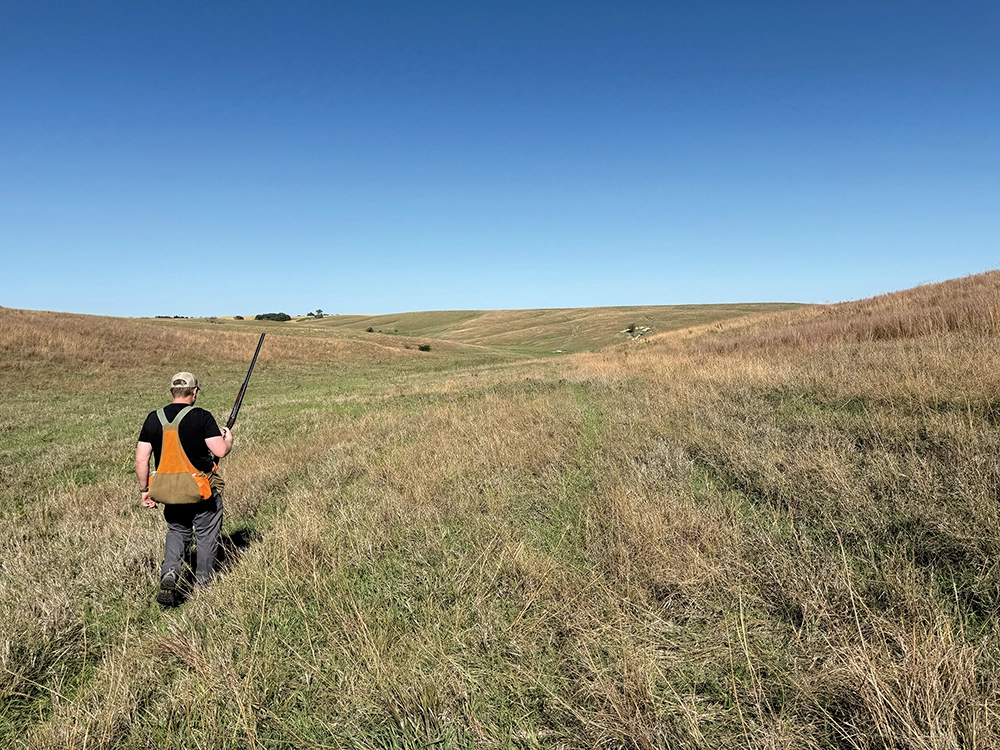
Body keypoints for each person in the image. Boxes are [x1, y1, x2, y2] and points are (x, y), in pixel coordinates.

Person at [135, 372, 233, 606]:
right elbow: (219, 451)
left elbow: (141, 460)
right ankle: (203, 586)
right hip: (200, 490)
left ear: (172, 392)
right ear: (194, 392)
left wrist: (144, 490)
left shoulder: (153, 418)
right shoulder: (201, 416)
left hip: (169, 492)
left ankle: (169, 573)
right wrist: (228, 439)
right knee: (206, 535)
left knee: (177, 531)